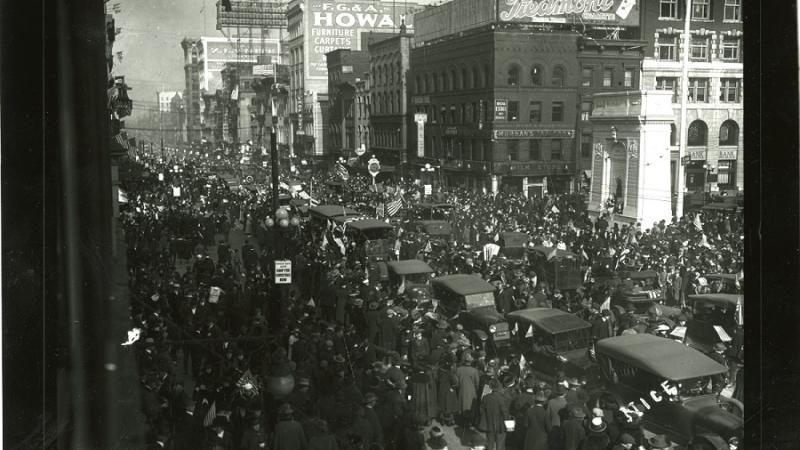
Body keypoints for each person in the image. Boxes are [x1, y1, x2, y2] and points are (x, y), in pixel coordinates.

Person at [479, 378, 511, 450]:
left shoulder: (486, 397)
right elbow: (505, 413)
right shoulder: (502, 398)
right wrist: (509, 427)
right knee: (500, 445)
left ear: (490, 387)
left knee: (490, 444)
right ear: (499, 386)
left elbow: (481, 410)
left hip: (489, 424)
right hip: (500, 426)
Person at [455, 352, 481, 430]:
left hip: (462, 390)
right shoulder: (474, 371)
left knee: (462, 405)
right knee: (470, 407)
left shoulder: (458, 369)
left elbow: (456, 382)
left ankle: (462, 422)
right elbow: (477, 383)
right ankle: (469, 423)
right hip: (472, 391)